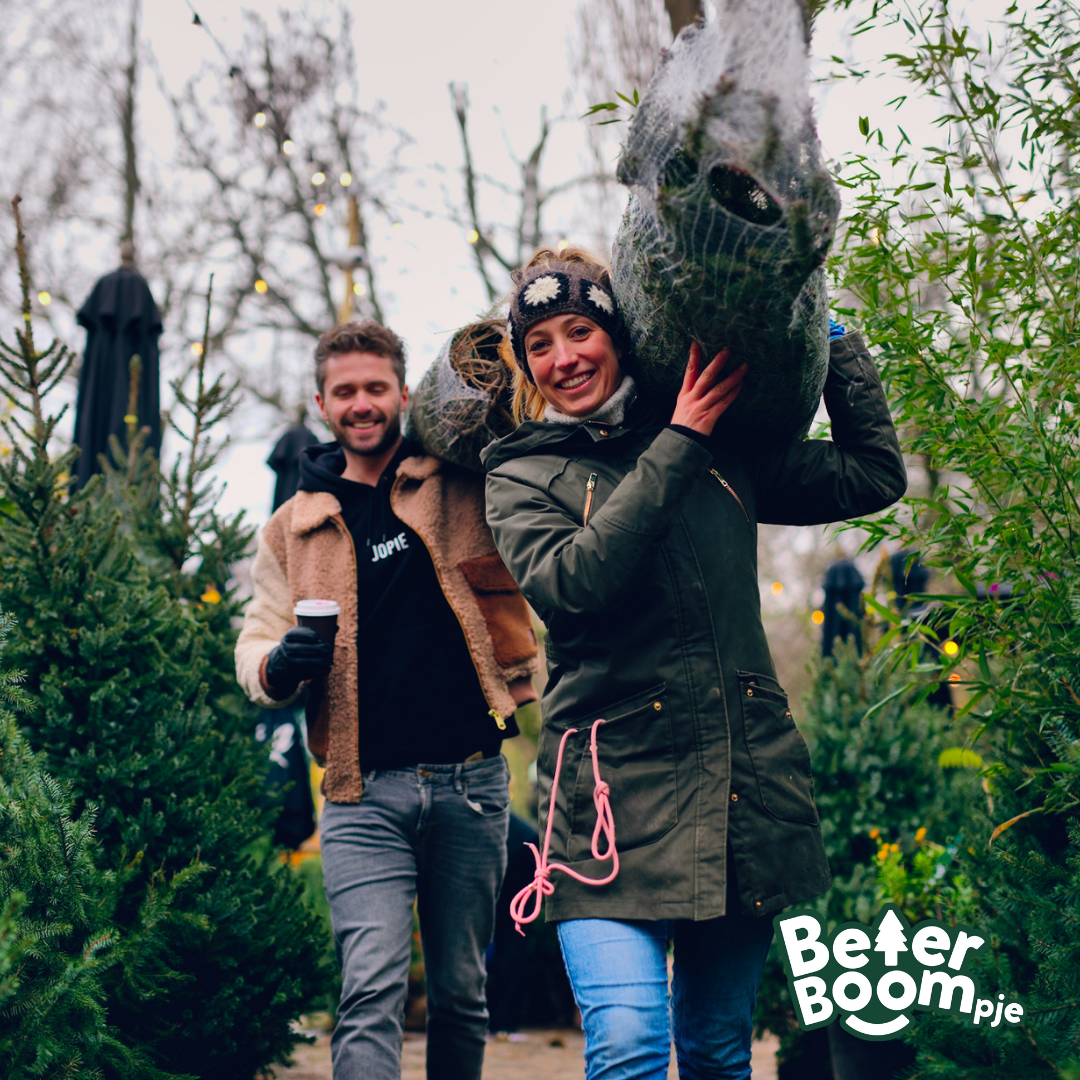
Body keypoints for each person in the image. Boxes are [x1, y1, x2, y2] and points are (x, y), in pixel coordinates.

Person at [481, 248, 907, 1080]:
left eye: (581, 331)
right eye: (540, 344)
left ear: (620, 336)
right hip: (608, 804)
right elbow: (576, 583)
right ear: (526, 363)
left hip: (734, 788)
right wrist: (678, 441)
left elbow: (871, 473)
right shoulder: (523, 475)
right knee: (632, 1042)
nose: (564, 357)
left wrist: (825, 334)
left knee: (716, 1052)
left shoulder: (721, 445)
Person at [235, 320, 541, 1080]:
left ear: (404, 393)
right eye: (346, 392)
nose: (362, 403)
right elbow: (252, 646)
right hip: (359, 793)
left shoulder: (460, 480)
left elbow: (526, 426)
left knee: (463, 992)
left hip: (473, 784)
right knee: (368, 989)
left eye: (376, 388)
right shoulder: (291, 529)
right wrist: (279, 664)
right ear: (322, 403)